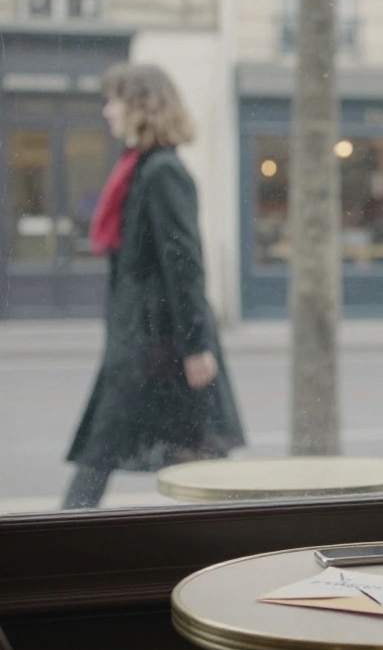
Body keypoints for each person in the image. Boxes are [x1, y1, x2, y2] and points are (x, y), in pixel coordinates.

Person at [62, 63, 245, 510]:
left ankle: (59, 541)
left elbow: (184, 266)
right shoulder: (139, 168)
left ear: (142, 106)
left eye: (114, 101)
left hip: (157, 344)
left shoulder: (161, 172)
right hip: (145, 341)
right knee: (183, 453)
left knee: (118, 451)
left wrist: (197, 345)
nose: (107, 111)